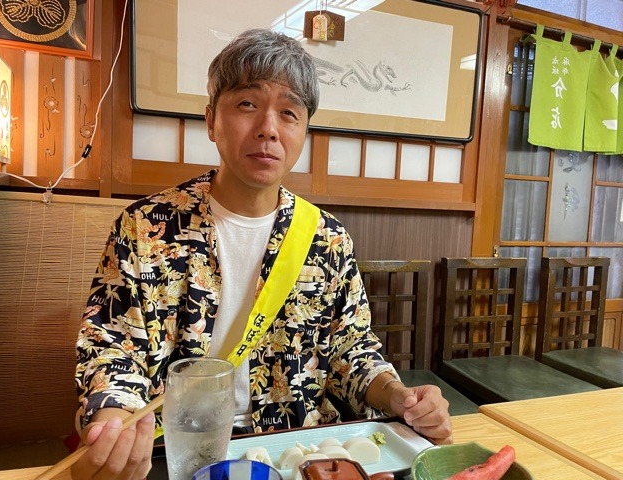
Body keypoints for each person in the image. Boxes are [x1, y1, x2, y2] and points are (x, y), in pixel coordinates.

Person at [72, 28, 452, 479]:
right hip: (179, 452)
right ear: (211, 120)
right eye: (247, 104)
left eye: (289, 112)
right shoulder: (145, 227)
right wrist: (113, 420)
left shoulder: (327, 238)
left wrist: (400, 397)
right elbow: (112, 350)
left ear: (304, 131)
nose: (268, 129)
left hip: (300, 453)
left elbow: (350, 348)